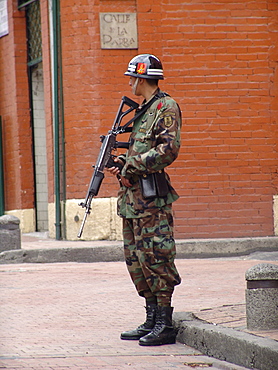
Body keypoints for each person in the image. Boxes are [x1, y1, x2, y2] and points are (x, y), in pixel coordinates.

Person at [107, 54, 182, 346]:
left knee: (157, 256)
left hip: (152, 199)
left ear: (142, 78)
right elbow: (139, 152)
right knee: (136, 259)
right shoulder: (142, 111)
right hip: (132, 200)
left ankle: (165, 322)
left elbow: (168, 150)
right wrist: (122, 162)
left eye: (132, 77)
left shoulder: (166, 107)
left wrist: (132, 165)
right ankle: (151, 318)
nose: (129, 82)